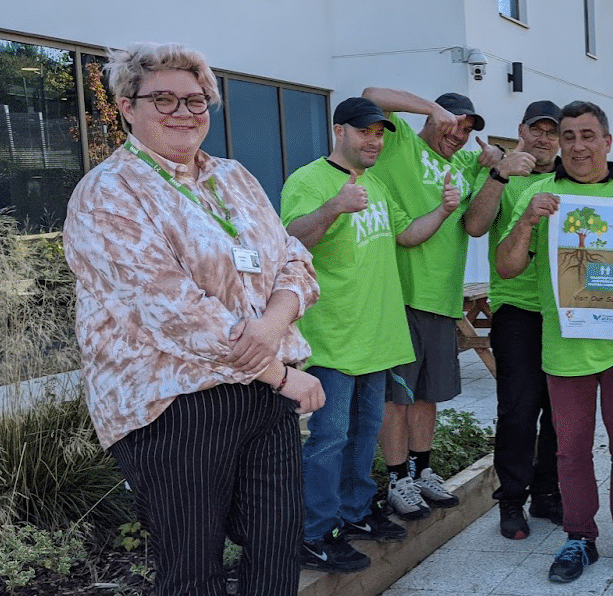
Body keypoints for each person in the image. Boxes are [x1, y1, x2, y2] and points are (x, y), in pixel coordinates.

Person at [63, 42, 324, 595]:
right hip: (175, 406)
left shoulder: (234, 177)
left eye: (196, 100)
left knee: (276, 549)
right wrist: (281, 373)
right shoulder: (108, 193)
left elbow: (295, 261)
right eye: (163, 98)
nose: (183, 111)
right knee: (191, 569)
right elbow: (169, 310)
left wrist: (274, 326)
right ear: (126, 106)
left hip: (263, 396)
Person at [282, 97, 465, 572]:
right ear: (339, 130)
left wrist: (444, 212)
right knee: (329, 440)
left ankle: (355, 513)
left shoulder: (378, 185)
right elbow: (293, 240)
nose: (374, 141)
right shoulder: (308, 180)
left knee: (365, 435)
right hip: (335, 339)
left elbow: (405, 235)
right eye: (365, 132)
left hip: (377, 338)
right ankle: (314, 533)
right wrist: (335, 206)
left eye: (381, 133)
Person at [496, 101, 613, 583]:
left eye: (588, 135)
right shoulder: (542, 193)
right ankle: (579, 538)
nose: (578, 145)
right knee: (571, 452)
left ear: (608, 142)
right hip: (565, 346)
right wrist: (527, 221)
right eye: (569, 137)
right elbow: (506, 267)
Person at [360, 87, 531, 519]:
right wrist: (432, 108)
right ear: (434, 119)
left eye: (468, 129)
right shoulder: (398, 141)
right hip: (399, 293)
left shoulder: (463, 165)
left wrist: (494, 166)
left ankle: (422, 471)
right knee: (396, 396)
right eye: (454, 125)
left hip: (443, 298)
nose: (459, 135)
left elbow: (476, 220)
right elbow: (371, 95)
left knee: (426, 394)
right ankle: (398, 478)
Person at [485, 100, 566, 540]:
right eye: (537, 130)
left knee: (558, 412)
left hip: (563, 310)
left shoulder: (572, 179)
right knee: (518, 410)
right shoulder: (505, 174)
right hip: (516, 308)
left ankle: (547, 495)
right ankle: (511, 499)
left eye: (552, 132)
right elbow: (477, 225)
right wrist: (498, 173)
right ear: (521, 131)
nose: (544, 139)